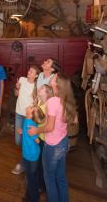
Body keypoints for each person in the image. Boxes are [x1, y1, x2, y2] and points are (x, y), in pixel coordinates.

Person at [28, 74, 78, 202]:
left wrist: (36, 130)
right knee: (60, 177)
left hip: (53, 146)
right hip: (64, 142)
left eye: (55, 78)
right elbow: (75, 120)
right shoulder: (66, 100)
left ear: (57, 85)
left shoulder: (53, 101)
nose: (54, 76)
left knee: (49, 179)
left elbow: (49, 127)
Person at [12, 66, 40, 175]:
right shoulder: (22, 80)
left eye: (32, 71)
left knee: (27, 140)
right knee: (18, 140)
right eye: (29, 70)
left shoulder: (36, 86)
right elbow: (16, 94)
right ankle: (28, 160)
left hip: (29, 117)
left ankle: (24, 163)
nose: (29, 72)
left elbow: (37, 101)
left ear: (36, 75)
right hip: (19, 113)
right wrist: (17, 87)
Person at [17, 105, 45, 202]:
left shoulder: (29, 124)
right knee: (31, 175)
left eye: (31, 108)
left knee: (31, 177)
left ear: (31, 114)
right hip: (29, 154)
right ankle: (31, 195)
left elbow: (36, 139)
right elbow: (29, 133)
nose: (29, 106)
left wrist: (36, 138)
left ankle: (33, 198)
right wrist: (23, 132)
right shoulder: (28, 121)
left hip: (31, 155)